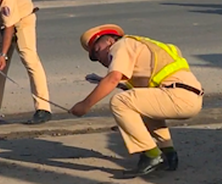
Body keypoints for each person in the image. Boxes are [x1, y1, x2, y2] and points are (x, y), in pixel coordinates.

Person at [70, 24, 203, 178]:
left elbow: (113, 78)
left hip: (178, 96)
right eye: (94, 58)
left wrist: (84, 106)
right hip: (189, 97)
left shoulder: (122, 45)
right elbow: (135, 84)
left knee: (120, 102)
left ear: (110, 41)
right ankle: (168, 155)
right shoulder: (142, 45)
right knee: (140, 103)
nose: (98, 58)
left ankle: (151, 155)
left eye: (97, 51)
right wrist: (106, 82)